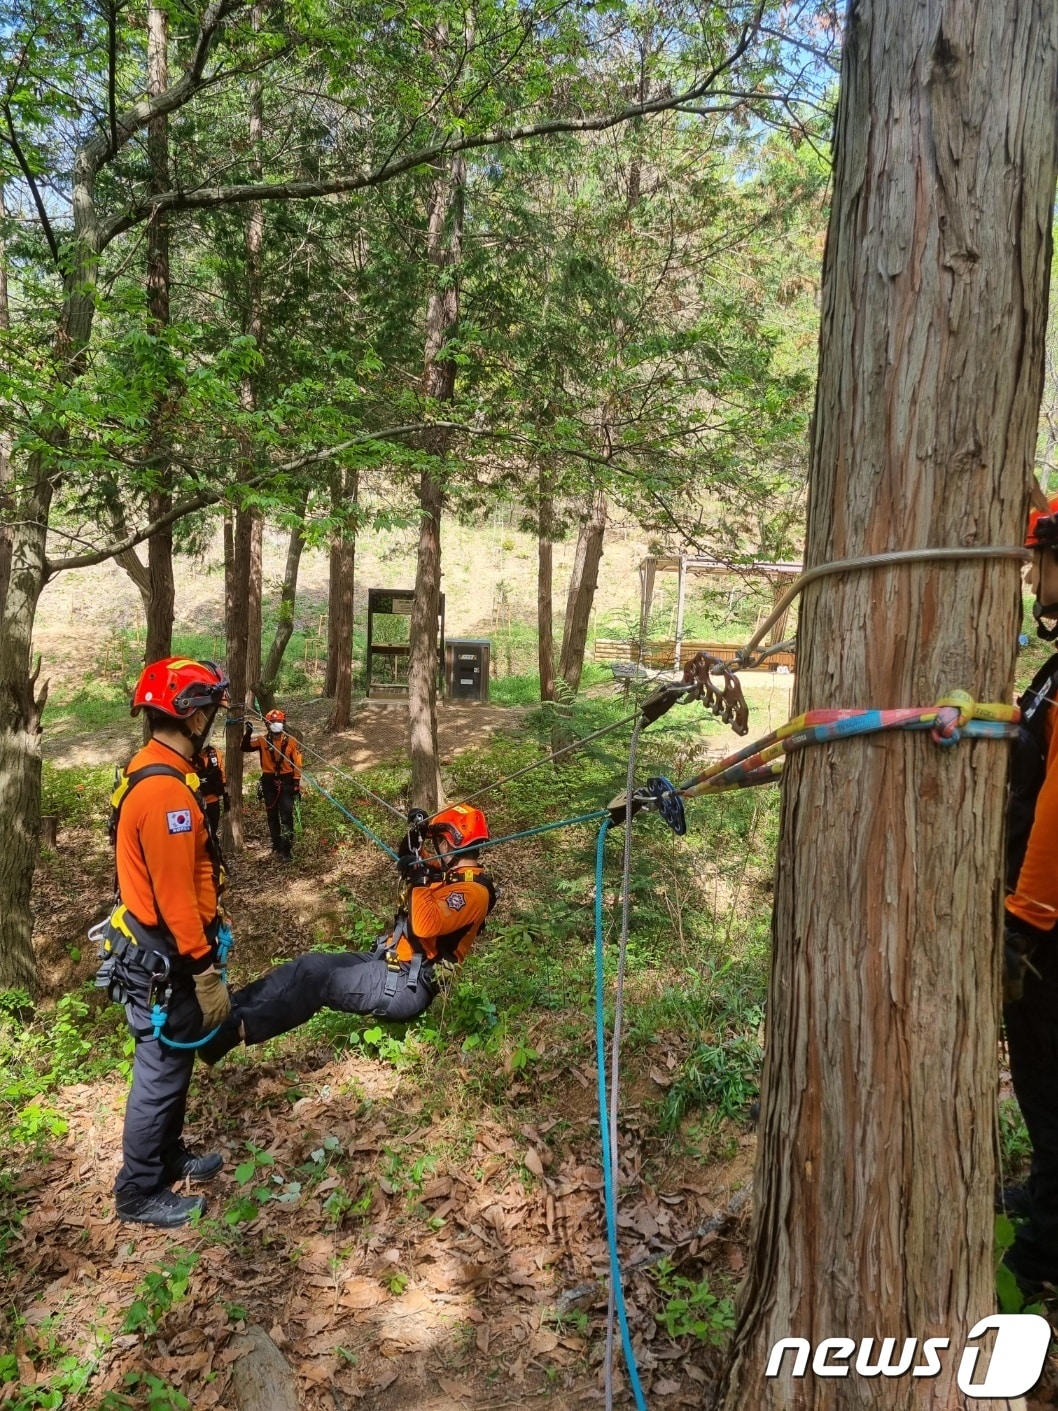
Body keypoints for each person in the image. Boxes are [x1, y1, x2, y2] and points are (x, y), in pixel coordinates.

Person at [94, 658, 234, 1228]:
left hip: (160, 948)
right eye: (208, 709)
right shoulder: (166, 795)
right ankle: (138, 1190)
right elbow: (176, 898)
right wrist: (204, 972)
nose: (211, 719)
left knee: (173, 1070)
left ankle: (166, 1155)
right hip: (168, 955)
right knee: (159, 1074)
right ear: (190, 713)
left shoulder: (157, 770)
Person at [200, 805, 497, 1065]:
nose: (437, 848)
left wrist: (417, 879)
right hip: (390, 960)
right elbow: (410, 858)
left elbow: (425, 924)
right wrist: (414, 842)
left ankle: (234, 1031)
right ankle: (230, 1006)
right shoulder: (449, 876)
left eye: (438, 842)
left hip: (410, 983)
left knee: (319, 984)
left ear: (450, 845)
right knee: (309, 965)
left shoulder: (473, 892)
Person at [1002, 496, 1058, 1289]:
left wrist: (1027, 918)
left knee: (1049, 1081)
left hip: (1048, 926)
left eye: (1037, 562)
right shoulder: (1053, 674)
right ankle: (1047, 1192)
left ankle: (1046, 1247)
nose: (1031, 576)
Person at [242, 709, 303, 861]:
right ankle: (276, 845)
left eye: (279, 722)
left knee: (286, 815)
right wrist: (248, 732)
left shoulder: (291, 741)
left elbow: (298, 763)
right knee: (271, 815)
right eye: (274, 722)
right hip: (269, 781)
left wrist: (296, 782)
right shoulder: (262, 741)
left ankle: (287, 850)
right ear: (268, 724)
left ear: (283, 723)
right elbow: (245, 747)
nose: (277, 724)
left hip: (287, 781)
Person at [192, 742, 229, 835]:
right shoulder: (190, 755)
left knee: (213, 829)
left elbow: (222, 773)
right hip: (197, 802)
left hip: (213, 799)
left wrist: (225, 794)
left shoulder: (215, 753)